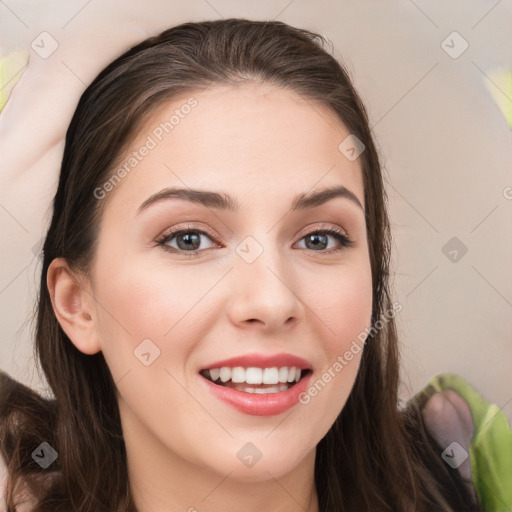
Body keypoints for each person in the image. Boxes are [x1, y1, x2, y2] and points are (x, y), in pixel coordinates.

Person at [0, 18, 510, 512]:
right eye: (189, 239)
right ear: (77, 304)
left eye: (319, 238)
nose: (270, 301)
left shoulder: (473, 460)